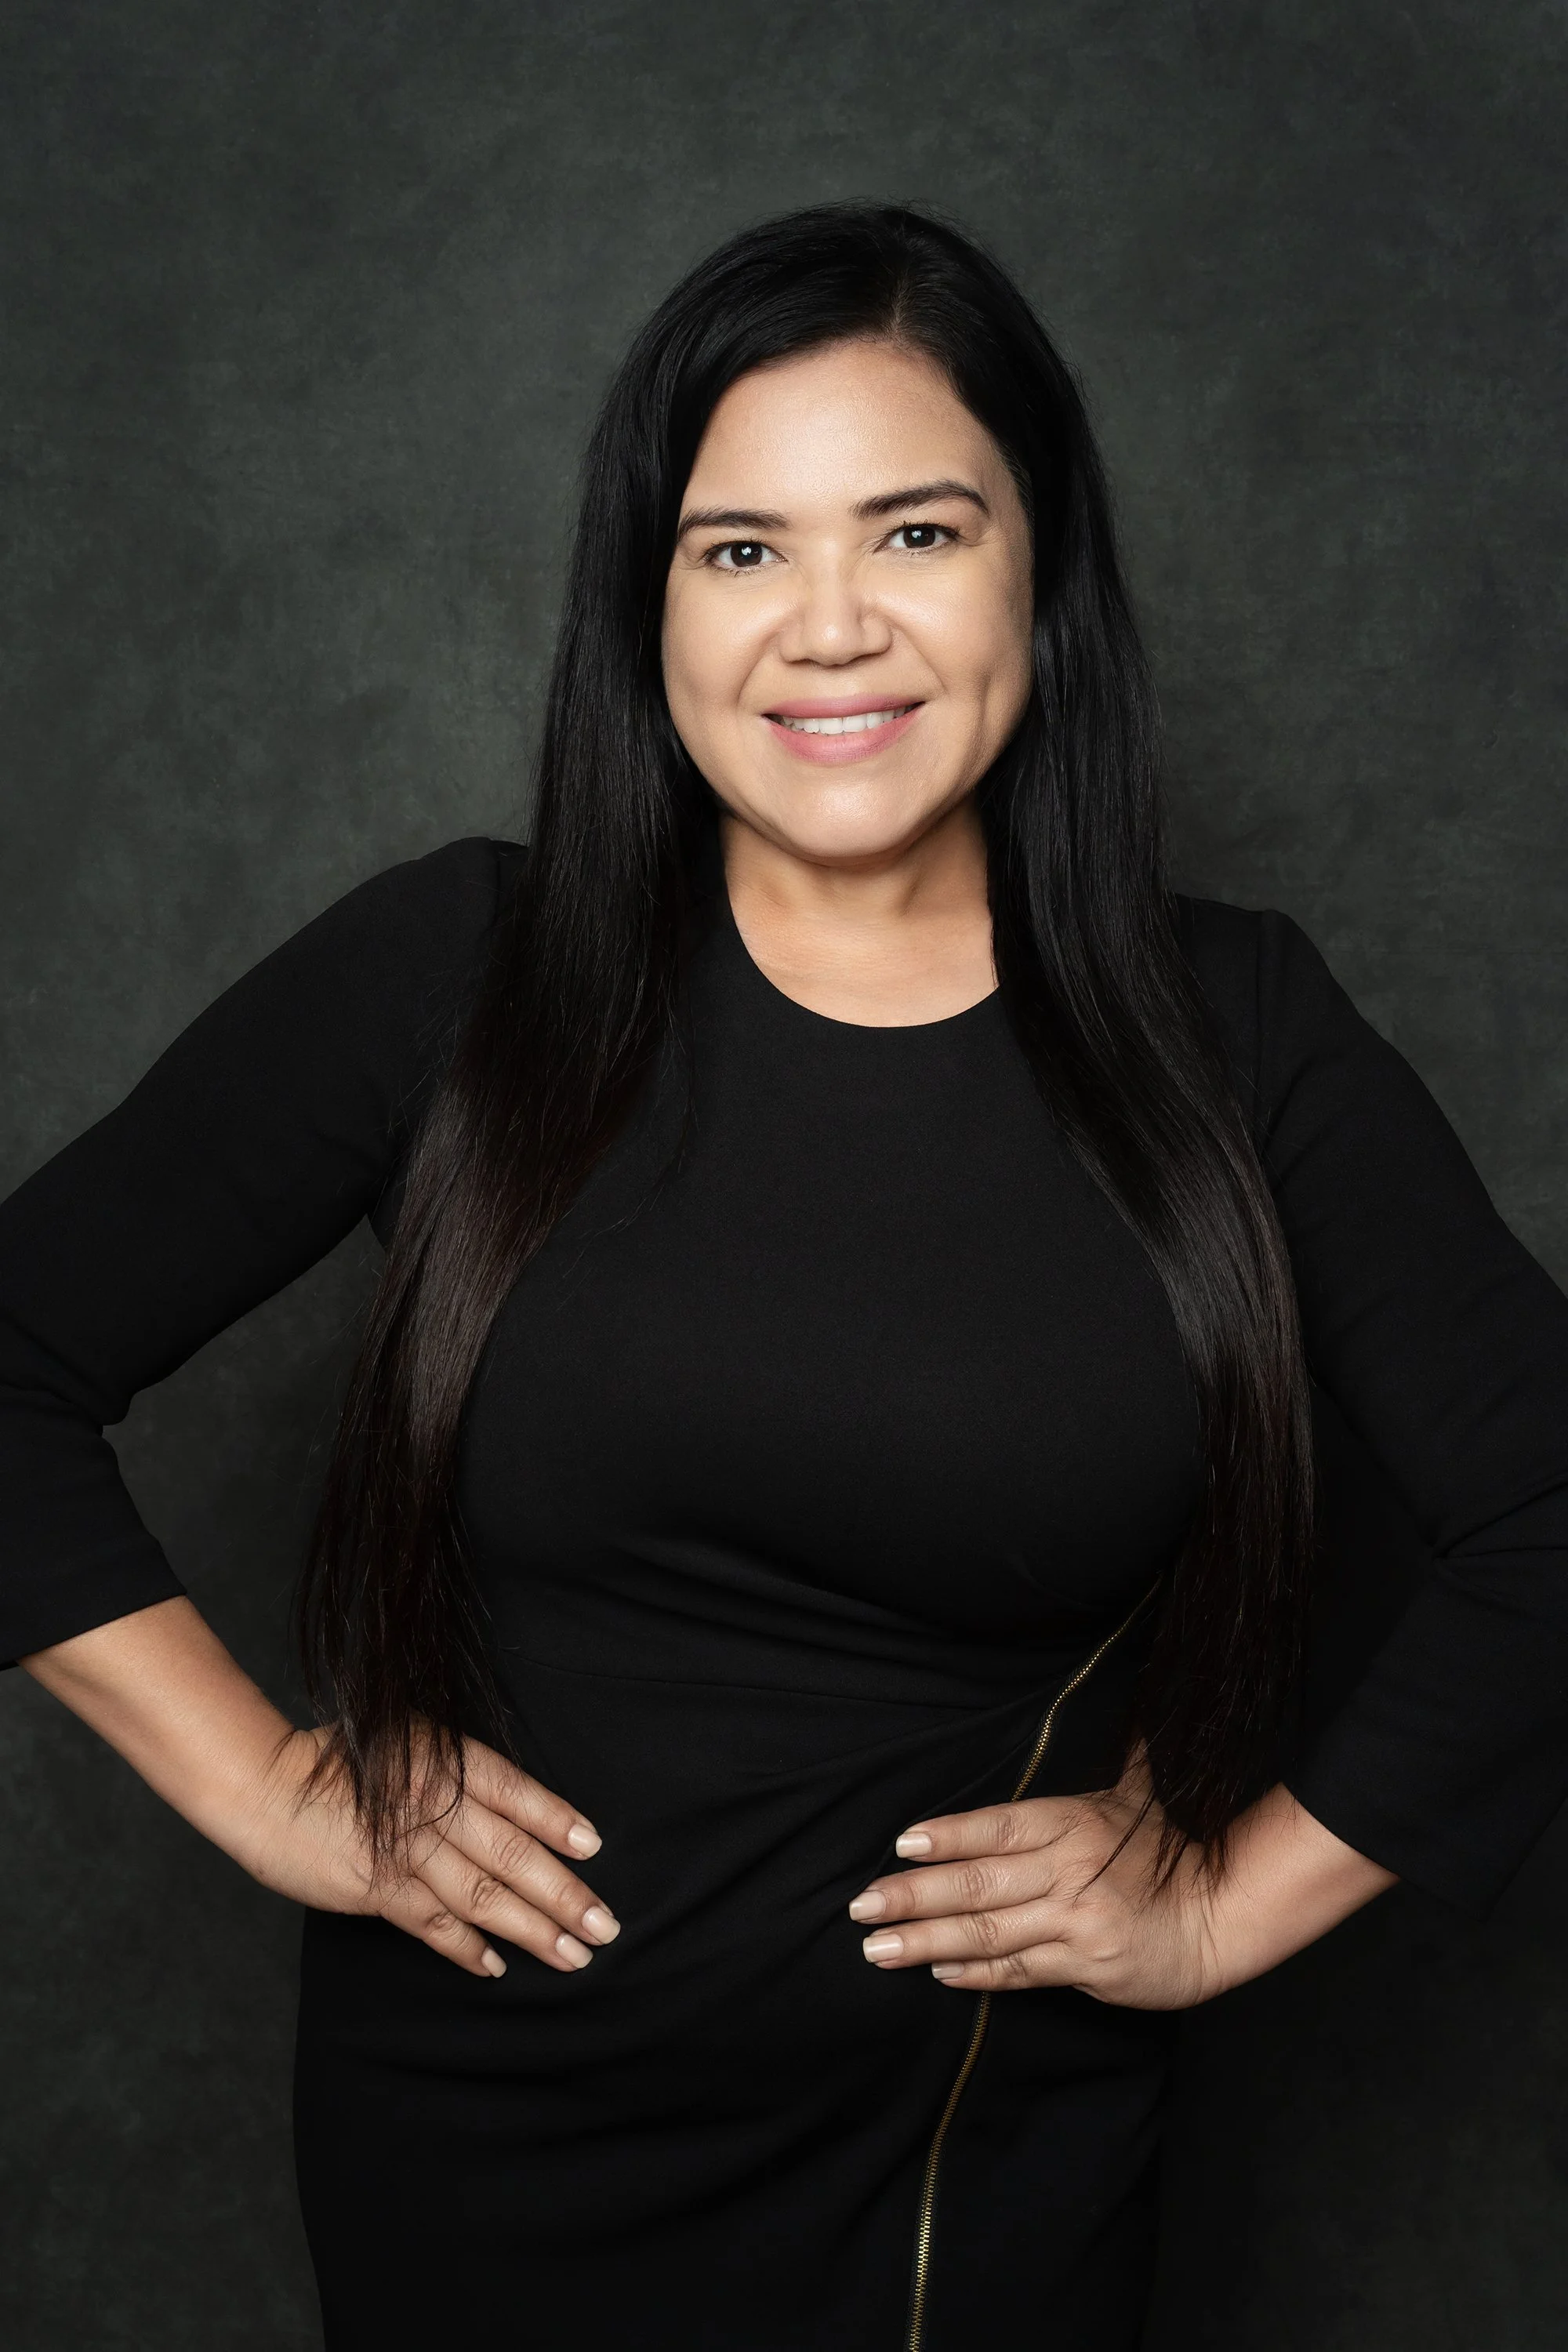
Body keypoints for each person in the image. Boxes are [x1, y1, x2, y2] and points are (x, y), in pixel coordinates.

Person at [2, 203, 1566, 2352]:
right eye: (741, 548)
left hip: (977, 2180)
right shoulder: (458, 974)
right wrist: (269, 1788)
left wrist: (1229, 1902)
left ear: (1042, 574)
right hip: (479, 2163)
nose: (831, 627)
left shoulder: (1240, 1035)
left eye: (917, 532)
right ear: (647, 606)